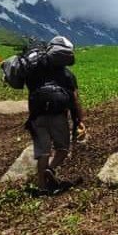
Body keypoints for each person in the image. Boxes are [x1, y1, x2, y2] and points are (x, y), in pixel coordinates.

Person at [25, 36, 85, 194]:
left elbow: (29, 89)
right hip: (59, 116)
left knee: (43, 151)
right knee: (63, 149)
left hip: (37, 116)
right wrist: (79, 119)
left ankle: (41, 186)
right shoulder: (68, 75)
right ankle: (51, 169)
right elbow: (74, 99)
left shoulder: (35, 70)